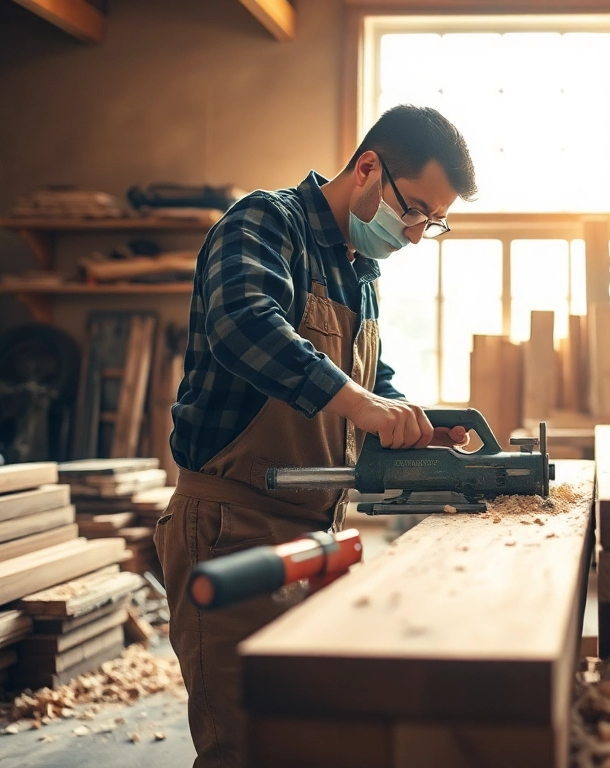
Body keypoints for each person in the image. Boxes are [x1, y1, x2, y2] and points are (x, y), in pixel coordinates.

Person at [154, 105, 477, 768]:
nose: (416, 234)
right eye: (414, 210)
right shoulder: (267, 223)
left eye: (433, 223)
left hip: (314, 530)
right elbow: (245, 325)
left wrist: (418, 421)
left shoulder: (360, 272)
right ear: (367, 168)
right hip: (231, 525)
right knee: (244, 746)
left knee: (309, 737)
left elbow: (370, 380)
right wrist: (364, 406)